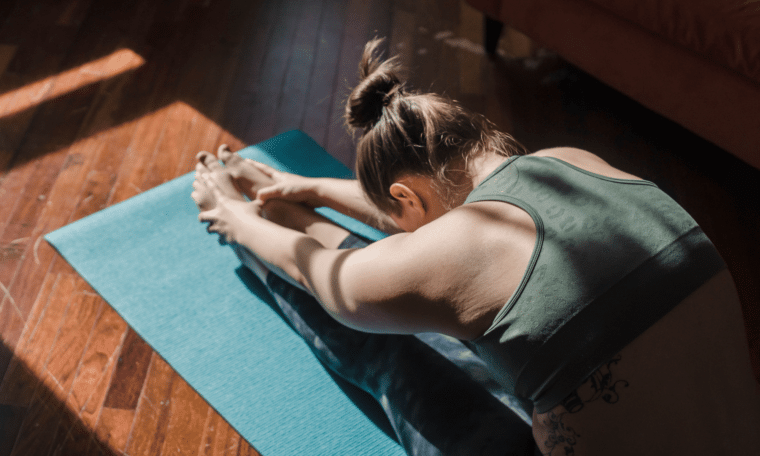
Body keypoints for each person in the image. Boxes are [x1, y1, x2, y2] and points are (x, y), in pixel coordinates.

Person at [191, 39, 760, 455]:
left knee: (400, 351)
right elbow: (438, 220)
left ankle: (270, 221)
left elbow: (328, 278)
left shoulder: (458, 249)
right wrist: (313, 188)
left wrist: (233, 217)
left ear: (404, 198)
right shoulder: (568, 163)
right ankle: (290, 208)